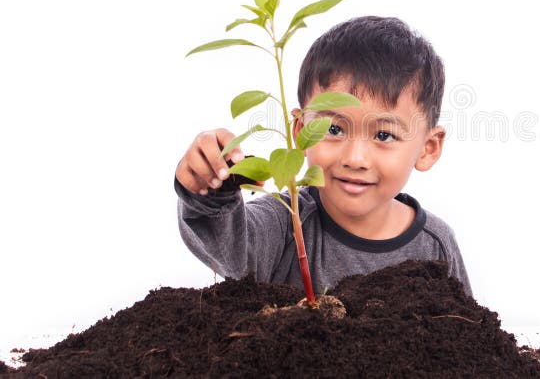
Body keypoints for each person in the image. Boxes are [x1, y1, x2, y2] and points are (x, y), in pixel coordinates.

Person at [174, 16, 471, 295]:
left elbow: (468, 326)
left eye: (384, 135)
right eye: (333, 129)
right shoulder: (285, 223)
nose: (355, 159)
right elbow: (229, 249)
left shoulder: (435, 246)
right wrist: (211, 188)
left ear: (428, 148)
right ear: (301, 130)